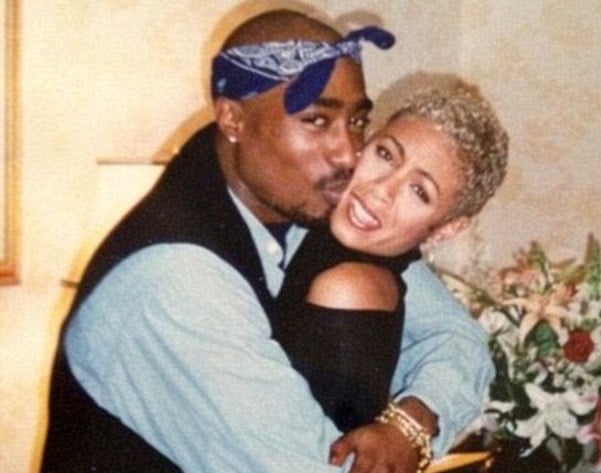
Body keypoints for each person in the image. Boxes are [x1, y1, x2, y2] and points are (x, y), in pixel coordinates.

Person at [41, 9, 494, 473]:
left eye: (358, 121)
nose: (348, 154)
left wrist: (413, 421)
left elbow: (456, 338)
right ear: (233, 119)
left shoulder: (309, 207)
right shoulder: (176, 281)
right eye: (316, 120)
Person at [272, 82, 508, 471]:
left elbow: (460, 340)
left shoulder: (352, 286)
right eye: (385, 154)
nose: (382, 190)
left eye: (419, 191)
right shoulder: (314, 212)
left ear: (446, 229)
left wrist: (410, 424)